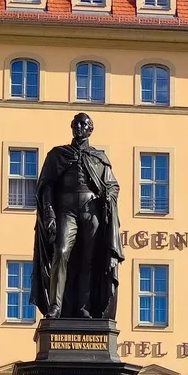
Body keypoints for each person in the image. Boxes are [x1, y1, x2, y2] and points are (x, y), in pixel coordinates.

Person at [30, 113, 122, 319]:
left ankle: (84, 306)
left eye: (84, 124)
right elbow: (46, 186)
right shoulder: (57, 155)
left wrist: (109, 195)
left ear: (90, 130)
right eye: (77, 123)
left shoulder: (99, 158)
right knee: (61, 252)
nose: (80, 127)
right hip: (66, 208)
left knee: (89, 259)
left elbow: (112, 185)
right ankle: (56, 305)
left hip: (91, 210)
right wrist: (49, 213)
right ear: (71, 126)